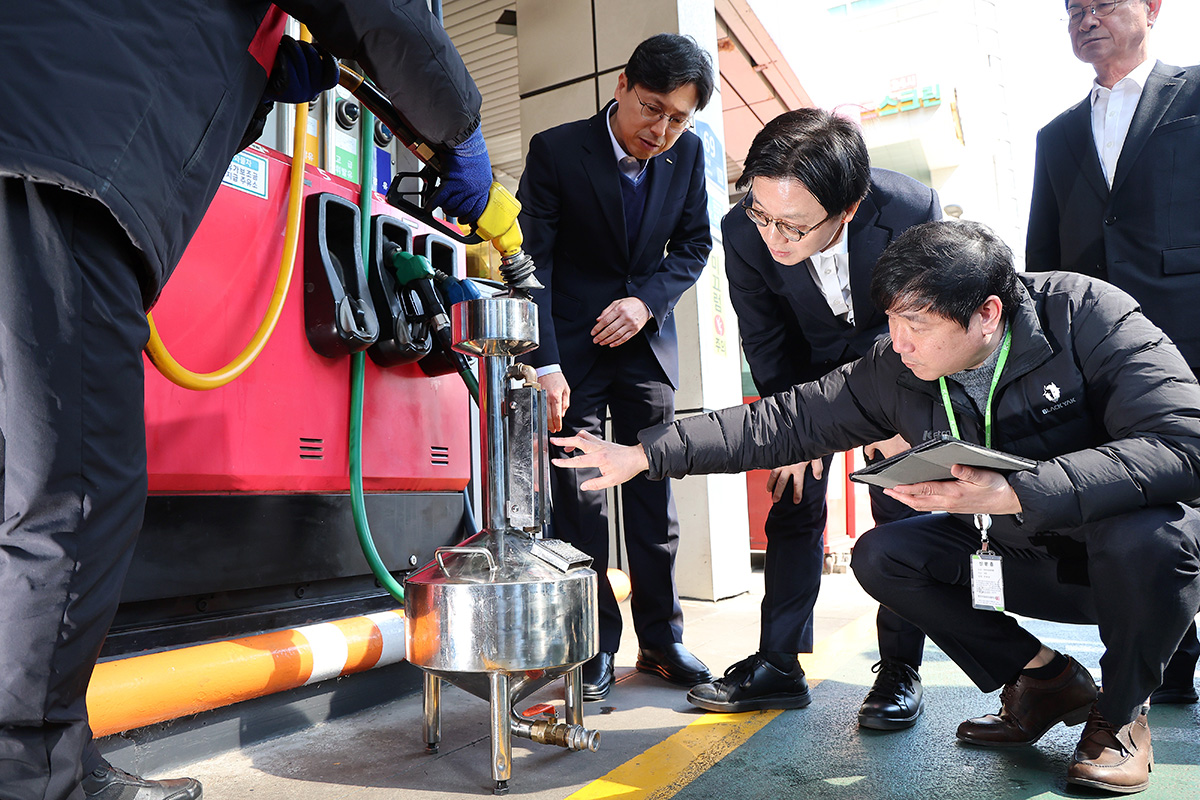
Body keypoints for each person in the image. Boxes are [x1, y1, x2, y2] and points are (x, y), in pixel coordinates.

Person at [0, 3, 493, 799]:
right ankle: (32, 781)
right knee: (73, 498)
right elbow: (379, 10)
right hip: (64, 172)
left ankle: (57, 757)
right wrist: (460, 126)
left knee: (21, 488)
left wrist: (253, 84)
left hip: (39, 137)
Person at [551, 220, 1200, 795]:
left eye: (918, 324)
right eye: (891, 319)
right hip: (1015, 553)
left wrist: (1018, 491)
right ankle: (1045, 680)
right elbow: (789, 421)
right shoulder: (895, 367)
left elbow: (1183, 443)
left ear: (987, 314)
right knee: (883, 555)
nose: (899, 340)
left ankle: (1120, 716)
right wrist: (644, 454)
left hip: (1117, 563)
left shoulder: (1087, 315)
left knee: (1155, 536)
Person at [693, 108, 938, 730]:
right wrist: (792, 435)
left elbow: (924, 323)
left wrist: (895, 415)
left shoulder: (909, 209)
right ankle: (778, 664)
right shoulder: (742, 230)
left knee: (901, 509)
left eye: (794, 226)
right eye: (763, 215)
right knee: (792, 496)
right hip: (804, 374)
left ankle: (900, 670)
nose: (774, 238)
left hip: (894, 368)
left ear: (847, 209)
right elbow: (764, 337)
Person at [516, 33, 715, 701]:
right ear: (622, 84)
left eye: (678, 119)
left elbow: (693, 246)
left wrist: (646, 302)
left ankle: (661, 640)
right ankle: (593, 644)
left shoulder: (688, 154)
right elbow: (531, 263)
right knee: (580, 503)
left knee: (654, 494)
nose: (660, 130)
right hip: (571, 352)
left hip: (645, 347)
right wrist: (544, 362)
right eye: (652, 108)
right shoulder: (555, 150)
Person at [1025, 0, 1200, 705]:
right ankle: (1164, 661)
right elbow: (1042, 257)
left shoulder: (1194, 95)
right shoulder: (1056, 134)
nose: (1086, 18)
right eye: (1074, 9)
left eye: (1103, 3)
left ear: (1152, 8)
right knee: (1132, 504)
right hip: (1098, 357)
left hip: (1190, 338)